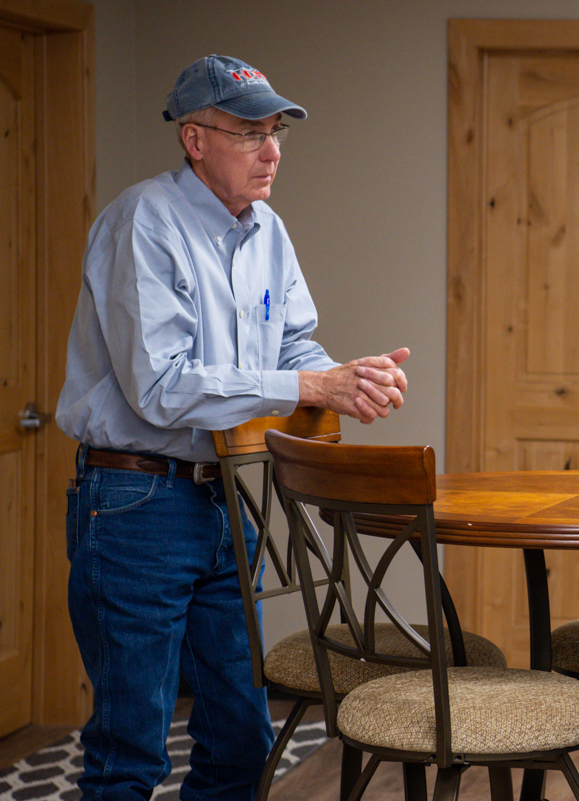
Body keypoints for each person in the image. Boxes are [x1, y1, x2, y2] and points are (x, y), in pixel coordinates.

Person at [56, 55, 410, 801]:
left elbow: (294, 346)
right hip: (133, 502)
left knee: (241, 742)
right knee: (130, 751)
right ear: (195, 139)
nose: (272, 150)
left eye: (275, 131)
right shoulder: (141, 223)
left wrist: (349, 377)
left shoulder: (268, 229)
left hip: (228, 499)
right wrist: (310, 384)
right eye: (250, 132)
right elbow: (160, 386)